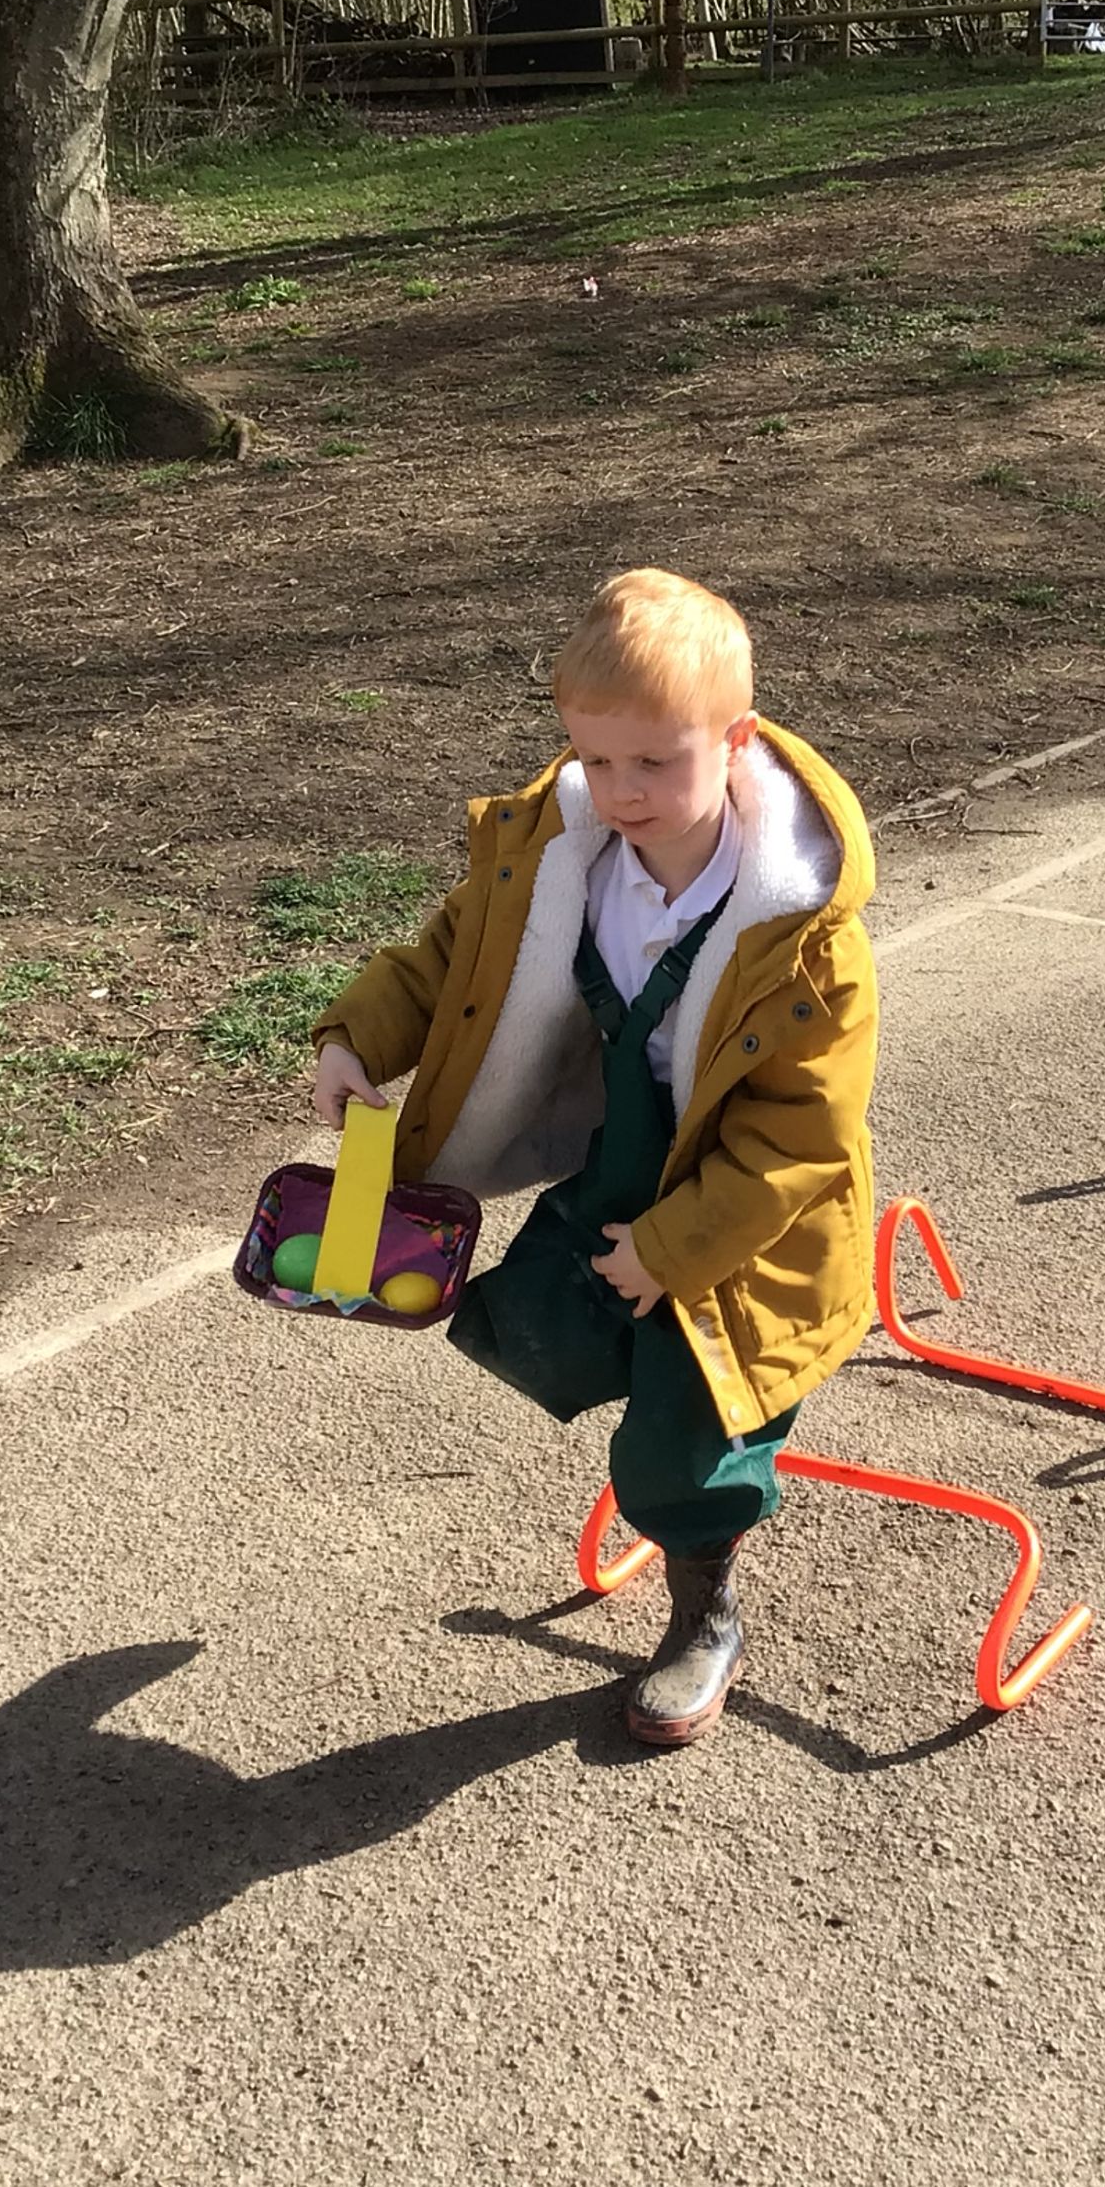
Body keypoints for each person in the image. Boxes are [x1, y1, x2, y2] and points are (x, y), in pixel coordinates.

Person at [310, 569, 879, 1747]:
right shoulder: (561, 858)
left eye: (657, 762)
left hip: (738, 1212)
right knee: (534, 1328)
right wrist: (355, 1036)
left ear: (738, 741)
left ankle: (704, 1606)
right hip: (619, 1156)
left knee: (687, 1423)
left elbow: (798, 1137)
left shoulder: (804, 938)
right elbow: (445, 961)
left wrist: (671, 1250)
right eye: (597, 759)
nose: (623, 792)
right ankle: (653, 1402)